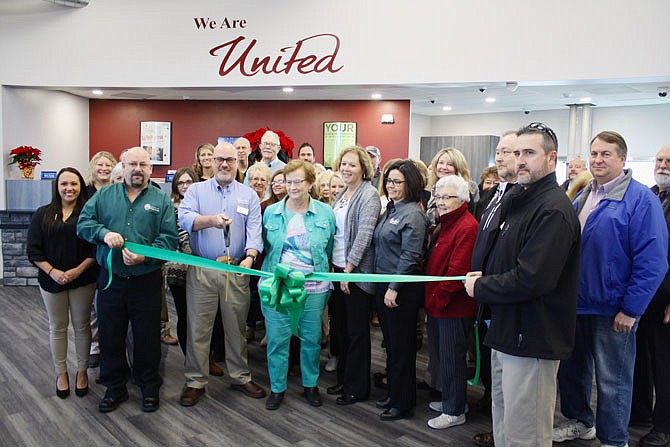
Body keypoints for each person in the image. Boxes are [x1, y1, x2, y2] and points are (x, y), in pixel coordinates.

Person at [465, 122, 582, 447]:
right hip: (506, 330)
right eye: (517, 153)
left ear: (551, 158)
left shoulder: (552, 210)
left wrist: (482, 287)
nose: (520, 160)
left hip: (531, 336)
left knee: (526, 432)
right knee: (505, 424)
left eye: (529, 153)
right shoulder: (521, 201)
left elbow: (533, 278)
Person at [555, 131, 668, 447]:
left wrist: (631, 309)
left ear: (622, 158)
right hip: (576, 305)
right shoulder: (584, 195)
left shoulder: (641, 199)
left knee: (612, 381)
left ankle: (614, 439)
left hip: (613, 310)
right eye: (594, 153)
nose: (598, 160)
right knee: (572, 374)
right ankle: (580, 422)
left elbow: (653, 261)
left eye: (606, 154)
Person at [77, 147, 178, 413]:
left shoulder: (161, 200)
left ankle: (148, 387)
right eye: (132, 164)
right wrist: (103, 233)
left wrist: (146, 258)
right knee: (111, 336)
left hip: (146, 281)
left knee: (146, 338)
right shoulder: (104, 196)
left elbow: (169, 240)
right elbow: (83, 224)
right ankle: (115, 388)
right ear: (122, 165)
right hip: (111, 281)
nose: (137, 169)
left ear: (150, 168)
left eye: (143, 165)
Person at [177, 142, 266, 407]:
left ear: (238, 161)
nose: (224, 164)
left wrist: (249, 257)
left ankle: (240, 376)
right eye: (219, 159)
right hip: (203, 268)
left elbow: (255, 232)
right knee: (198, 329)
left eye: (229, 159)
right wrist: (211, 220)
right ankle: (195, 381)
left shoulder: (248, 195)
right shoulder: (196, 190)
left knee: (236, 329)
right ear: (212, 162)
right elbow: (185, 219)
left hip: (237, 270)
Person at [261, 160, 336, 410]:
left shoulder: (325, 213)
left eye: (298, 181)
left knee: (311, 339)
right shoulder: (271, 212)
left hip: (314, 288)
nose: (292, 186)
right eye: (288, 181)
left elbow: (328, 248)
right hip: (278, 285)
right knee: (277, 339)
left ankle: (310, 385)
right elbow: (267, 249)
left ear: (310, 183)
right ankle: (277, 388)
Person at [27, 167, 98, 399]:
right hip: (51, 281)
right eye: (64, 184)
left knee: (82, 326)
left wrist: (76, 271)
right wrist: (53, 272)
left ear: (81, 187)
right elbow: (34, 250)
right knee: (57, 327)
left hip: (83, 280)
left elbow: (94, 249)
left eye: (74, 184)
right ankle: (61, 373)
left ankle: (81, 371)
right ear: (56, 187)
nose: (69, 188)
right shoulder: (42, 214)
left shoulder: (88, 214)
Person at [322, 146, 381, 406]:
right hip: (338, 270)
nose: (346, 169)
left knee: (357, 333)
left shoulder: (368, 195)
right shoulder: (344, 193)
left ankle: (358, 387)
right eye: (343, 164)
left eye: (352, 165)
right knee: (342, 331)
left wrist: (348, 270)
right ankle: (345, 379)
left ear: (363, 168)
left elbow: (364, 237)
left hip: (356, 275)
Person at [470, 130, 518, 447]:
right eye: (498, 152)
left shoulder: (522, 199)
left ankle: (506, 432)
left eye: (508, 152)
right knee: (493, 368)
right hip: (486, 294)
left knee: (511, 380)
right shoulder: (493, 194)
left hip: (505, 296)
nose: (500, 157)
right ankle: (498, 427)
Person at [373, 159, 429, 421]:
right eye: (389, 181)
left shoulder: (414, 214)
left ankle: (403, 402)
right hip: (383, 284)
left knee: (403, 348)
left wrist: (394, 288)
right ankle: (393, 393)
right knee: (392, 347)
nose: (391, 185)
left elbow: (409, 256)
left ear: (411, 184)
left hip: (400, 289)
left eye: (397, 181)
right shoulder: (391, 210)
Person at [424, 175, 478, 429]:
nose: (441, 202)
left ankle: (455, 410)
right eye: (439, 197)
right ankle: (451, 400)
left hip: (452, 308)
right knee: (445, 358)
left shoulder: (467, 226)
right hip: (438, 305)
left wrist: (438, 298)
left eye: (448, 198)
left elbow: (458, 272)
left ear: (463, 199)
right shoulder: (445, 223)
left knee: (453, 359)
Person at [631, 144, 670, 447]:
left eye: (669, 161)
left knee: (664, 366)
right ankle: (641, 412)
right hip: (645, 296)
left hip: (665, 300)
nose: (663, 165)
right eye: (659, 159)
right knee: (641, 361)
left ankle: (665, 426)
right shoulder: (651, 194)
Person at [84, 150, 118, 369]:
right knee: (93, 308)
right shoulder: (85, 192)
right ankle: (94, 347)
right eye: (100, 165)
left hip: (113, 256)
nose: (104, 169)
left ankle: (114, 347)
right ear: (93, 167)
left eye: (108, 165)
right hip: (89, 255)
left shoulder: (118, 191)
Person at [166, 167, 198, 355]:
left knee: (201, 317)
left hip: (201, 270)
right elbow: (175, 237)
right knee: (184, 316)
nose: (185, 186)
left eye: (188, 182)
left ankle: (204, 358)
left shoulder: (202, 205)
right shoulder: (170, 207)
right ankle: (189, 358)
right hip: (178, 272)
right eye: (181, 182)